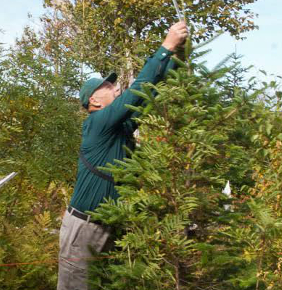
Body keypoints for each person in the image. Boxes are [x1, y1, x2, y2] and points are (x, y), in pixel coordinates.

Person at [57, 21, 189, 290]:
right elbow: (134, 93)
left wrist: (176, 58)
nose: (115, 87)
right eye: (108, 86)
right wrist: (166, 46)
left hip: (108, 225)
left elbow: (146, 93)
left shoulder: (121, 126)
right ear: (93, 101)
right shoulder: (98, 123)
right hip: (83, 229)